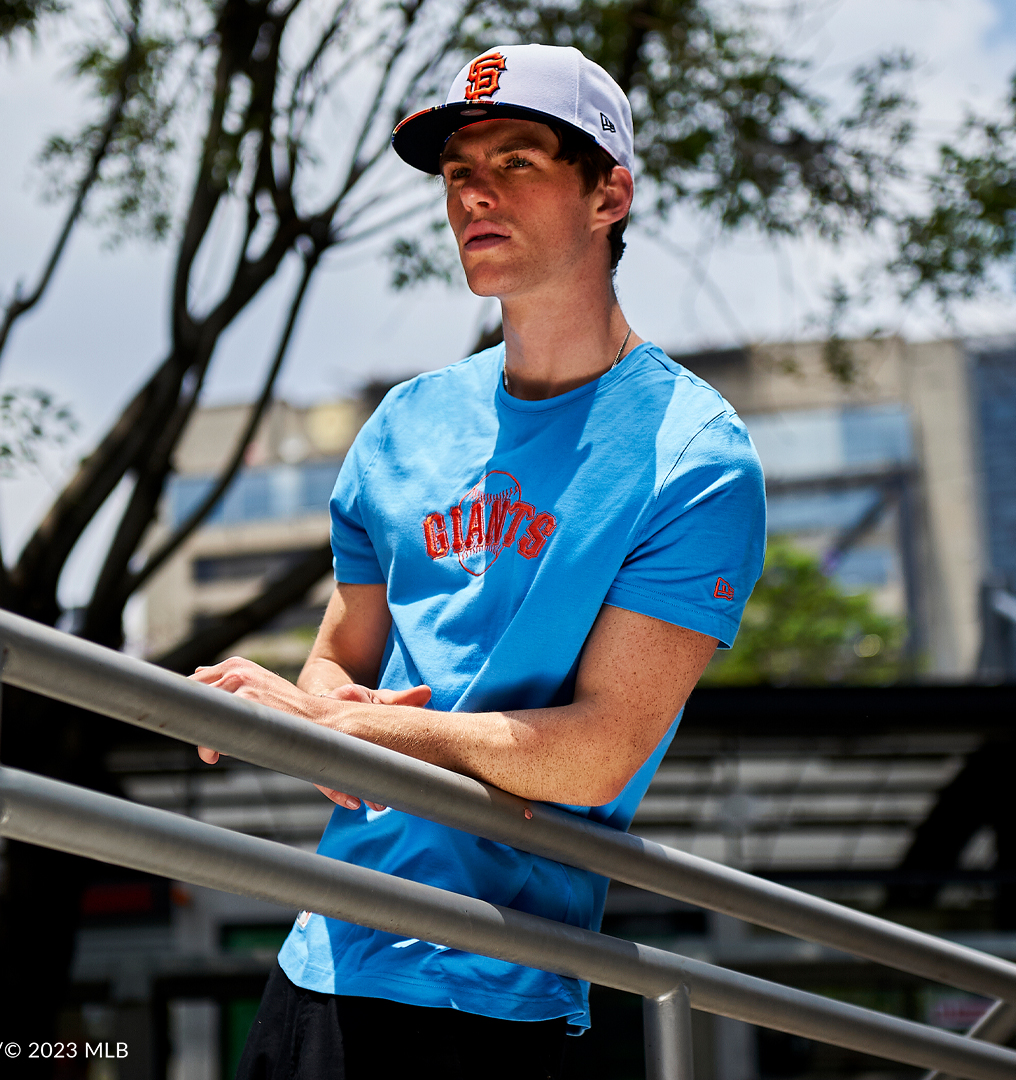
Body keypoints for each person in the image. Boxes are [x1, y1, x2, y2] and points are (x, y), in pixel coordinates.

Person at [194, 42, 766, 1080]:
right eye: (460, 173)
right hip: (323, 957)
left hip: (503, 981)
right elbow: (340, 659)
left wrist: (352, 726)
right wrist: (332, 712)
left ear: (610, 195)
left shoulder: (694, 455)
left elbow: (600, 751)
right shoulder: (407, 423)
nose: (475, 196)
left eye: (517, 163)